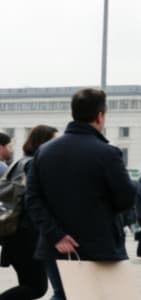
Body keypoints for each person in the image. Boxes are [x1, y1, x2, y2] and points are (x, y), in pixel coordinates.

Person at [25, 88, 136, 299]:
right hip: (99, 244)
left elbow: (33, 199)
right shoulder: (107, 153)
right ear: (100, 116)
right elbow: (126, 198)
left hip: (55, 244)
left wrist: (56, 234)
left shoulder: (45, 151)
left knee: (63, 294)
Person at [0, 125, 57, 300]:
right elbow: (35, 200)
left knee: (29, 284)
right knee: (36, 287)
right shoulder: (33, 164)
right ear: (43, 143)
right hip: (26, 235)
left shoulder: (20, 162)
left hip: (15, 233)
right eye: (54, 142)